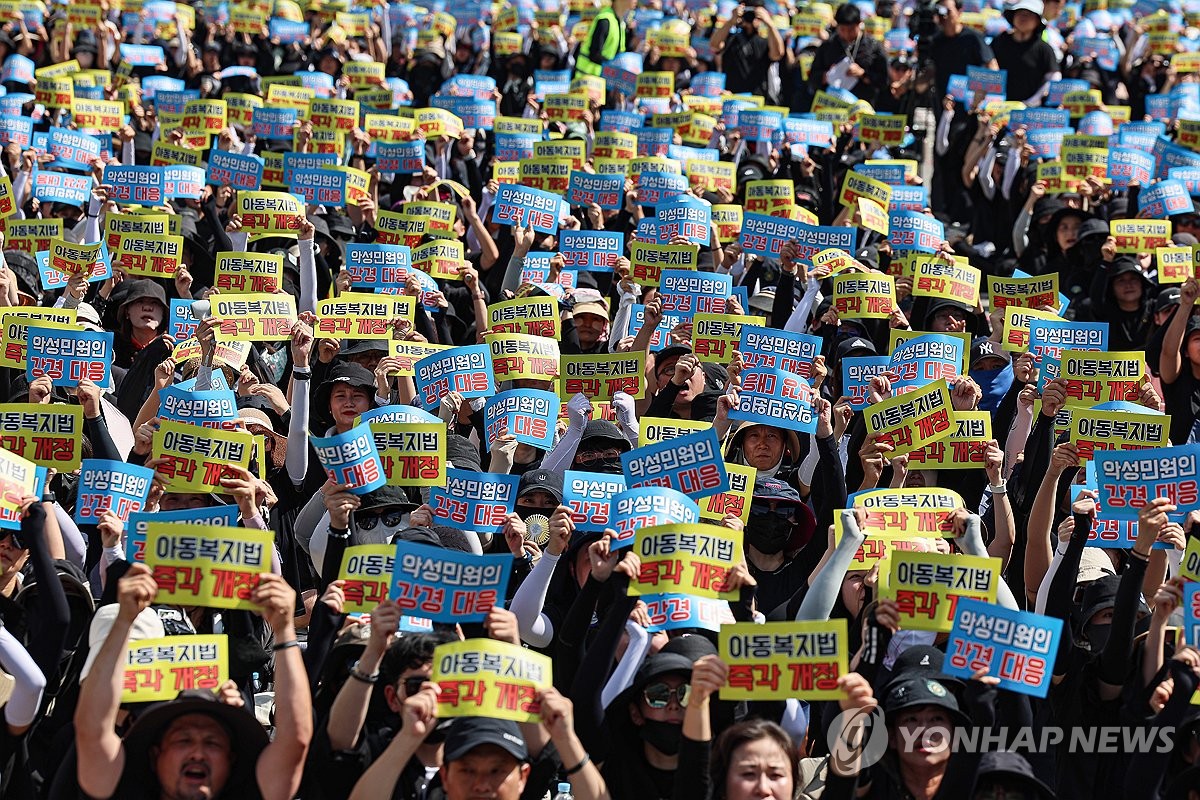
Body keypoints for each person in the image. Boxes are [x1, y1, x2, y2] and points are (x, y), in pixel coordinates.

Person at [73, 564, 312, 800]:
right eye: (183, 740)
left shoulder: (248, 792)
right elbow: (91, 728)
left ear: (232, 758)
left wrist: (284, 629)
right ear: (156, 755)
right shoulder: (124, 784)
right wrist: (124, 620)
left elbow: (296, 740)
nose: (198, 753)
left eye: (213, 743)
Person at [806, 3, 888, 105]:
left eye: (851, 30)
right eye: (842, 29)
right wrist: (825, 76)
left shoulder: (873, 46)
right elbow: (812, 77)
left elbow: (884, 80)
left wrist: (863, 74)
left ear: (860, 24)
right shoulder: (828, 45)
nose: (846, 34)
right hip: (832, 104)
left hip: (862, 104)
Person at [990, 0, 1060, 103]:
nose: (1023, 18)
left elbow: (1053, 78)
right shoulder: (999, 42)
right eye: (1019, 13)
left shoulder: (1044, 49)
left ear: (1037, 21)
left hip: (1030, 111)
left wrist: (1033, 101)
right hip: (998, 106)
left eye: (1029, 15)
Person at [573, 0, 632, 79]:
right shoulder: (605, 20)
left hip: (603, 80)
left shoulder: (620, 22)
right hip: (588, 81)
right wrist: (614, 65)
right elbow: (594, 54)